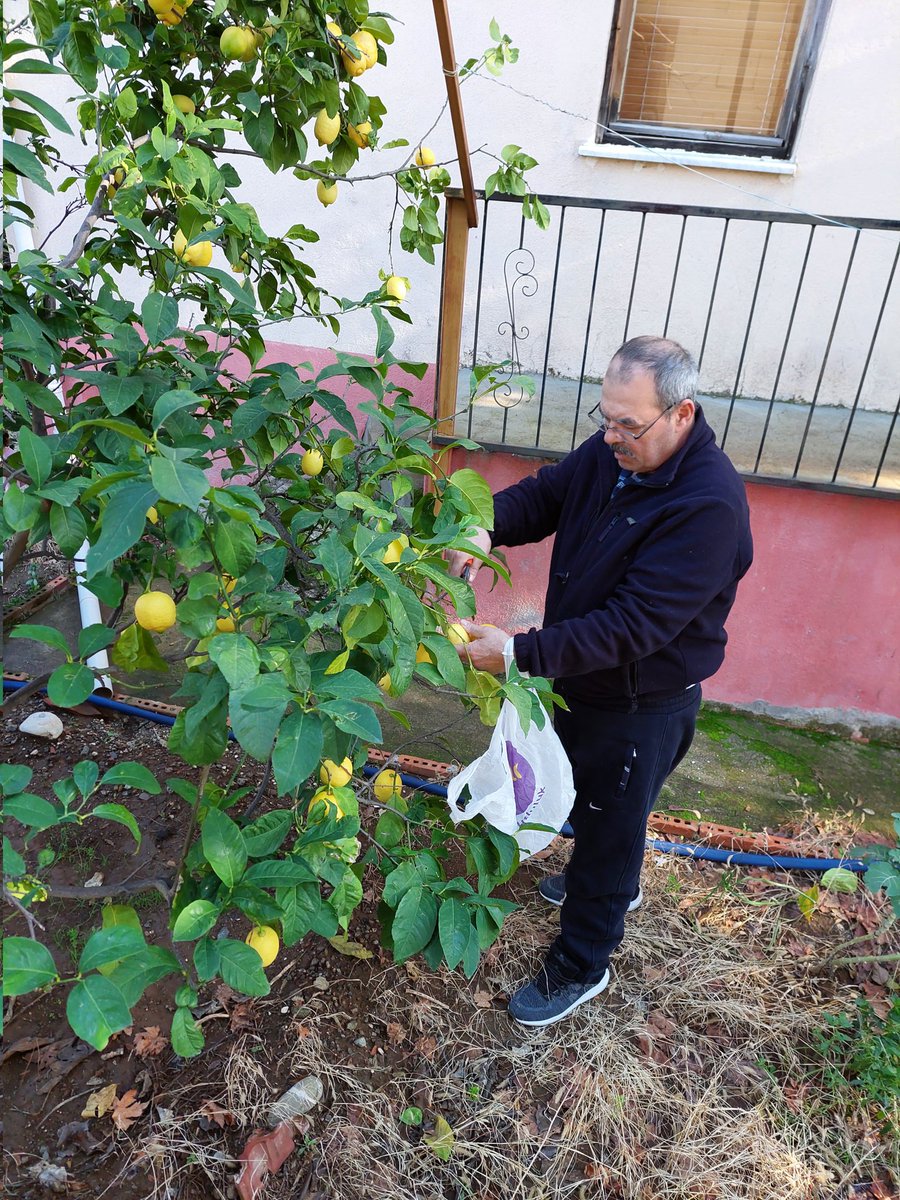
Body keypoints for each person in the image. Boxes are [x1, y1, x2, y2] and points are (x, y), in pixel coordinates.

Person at [446, 335, 753, 1027]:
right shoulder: (615, 452)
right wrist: (484, 526)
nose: (611, 436)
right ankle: (606, 879)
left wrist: (520, 653)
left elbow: (631, 628)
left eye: (629, 425)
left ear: (682, 414)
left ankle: (582, 964)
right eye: (605, 418)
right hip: (583, 682)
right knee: (592, 803)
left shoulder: (707, 507)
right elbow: (548, 493)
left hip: (642, 703)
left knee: (613, 826)